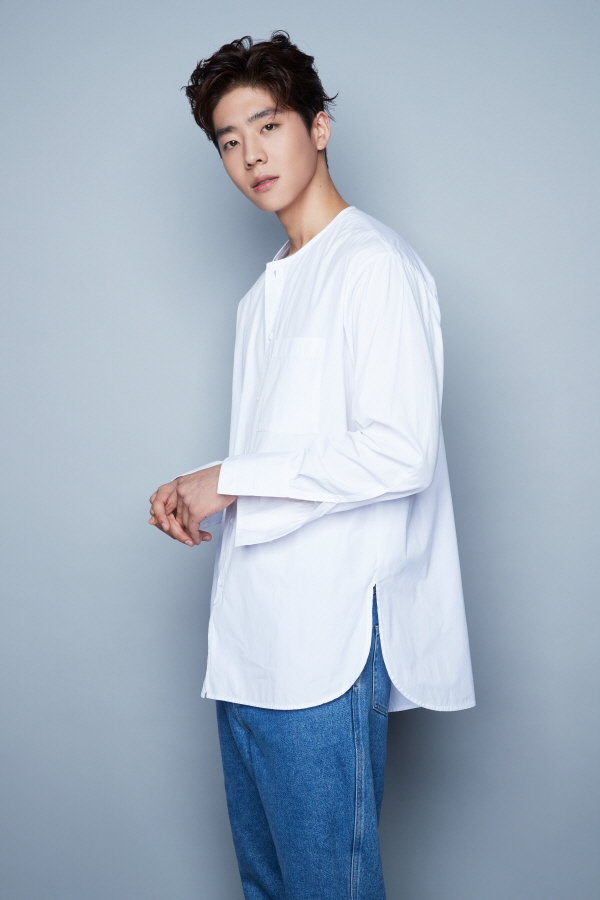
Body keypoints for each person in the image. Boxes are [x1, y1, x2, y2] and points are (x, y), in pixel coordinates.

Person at [148, 29, 476, 899]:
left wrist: (230, 478)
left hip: (326, 644)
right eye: (229, 141)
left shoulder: (373, 266)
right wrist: (204, 487)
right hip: (249, 642)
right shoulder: (264, 293)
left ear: (318, 127)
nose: (251, 155)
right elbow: (291, 452)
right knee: (269, 889)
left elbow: (400, 451)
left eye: (268, 125)